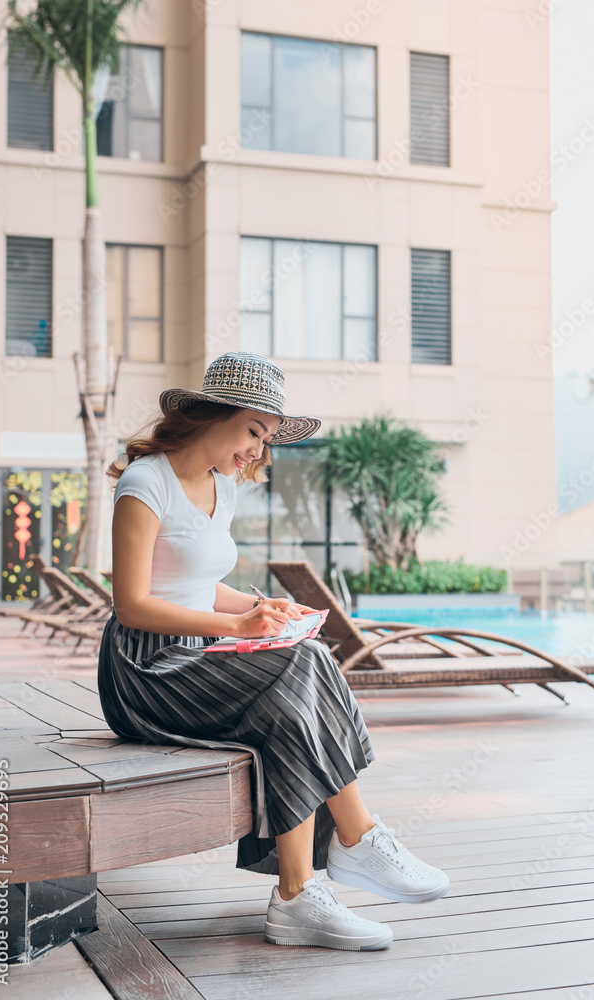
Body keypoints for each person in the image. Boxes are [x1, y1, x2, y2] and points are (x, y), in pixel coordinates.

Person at [98, 350, 449, 952]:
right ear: (214, 414)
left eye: (267, 440)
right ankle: (357, 836)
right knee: (305, 662)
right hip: (147, 670)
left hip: (201, 654)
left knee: (287, 698)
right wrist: (233, 628)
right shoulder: (145, 483)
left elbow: (196, 581)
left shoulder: (223, 486)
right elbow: (131, 603)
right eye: (254, 432)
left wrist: (257, 610)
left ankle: (297, 897)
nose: (257, 451)